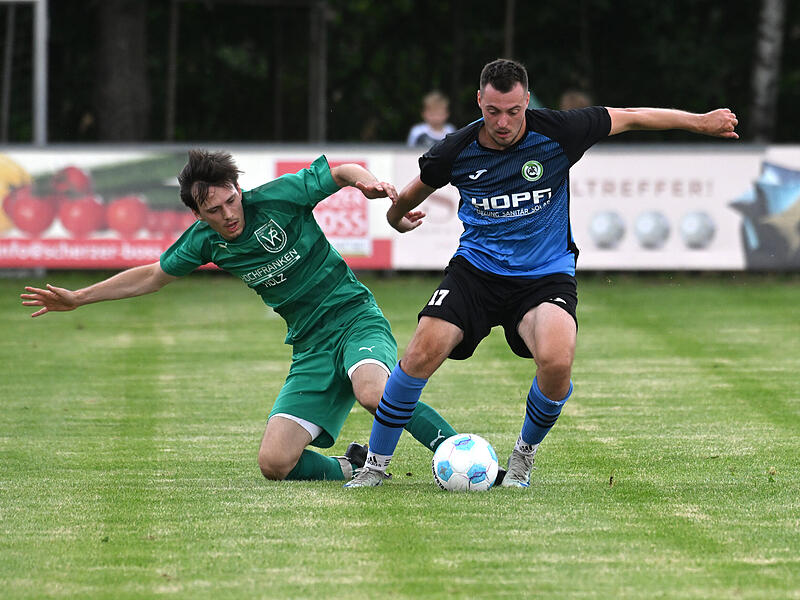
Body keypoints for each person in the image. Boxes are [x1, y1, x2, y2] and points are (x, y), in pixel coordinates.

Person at [345, 58, 739, 488]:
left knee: (557, 361)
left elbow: (630, 116)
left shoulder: (559, 131)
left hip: (544, 275)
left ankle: (522, 458)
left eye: (513, 111)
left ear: (527, 101)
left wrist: (700, 122)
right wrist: (396, 220)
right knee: (419, 354)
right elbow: (408, 197)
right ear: (479, 101)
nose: (503, 122)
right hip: (476, 272)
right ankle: (374, 466)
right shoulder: (454, 150)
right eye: (493, 111)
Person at [20, 150, 462, 482]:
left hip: (354, 318)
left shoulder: (278, 197)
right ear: (197, 213)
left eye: (231, 200)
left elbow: (342, 171)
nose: (229, 214)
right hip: (309, 346)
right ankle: (351, 465)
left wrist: (368, 184)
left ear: (237, 188)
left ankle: (457, 451)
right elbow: (152, 276)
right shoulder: (204, 241)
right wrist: (79, 298)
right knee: (275, 463)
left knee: (373, 392)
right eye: (214, 210)